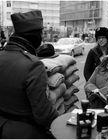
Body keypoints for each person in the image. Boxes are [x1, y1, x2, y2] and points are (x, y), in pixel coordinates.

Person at [0, 10, 59, 138]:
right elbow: (43, 115)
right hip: (25, 133)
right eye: (41, 33)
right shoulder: (33, 65)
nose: (42, 37)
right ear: (34, 36)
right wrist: (61, 121)